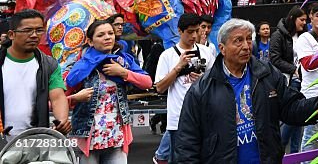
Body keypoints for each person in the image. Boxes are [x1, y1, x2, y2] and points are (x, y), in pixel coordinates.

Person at [176, 18, 318, 163]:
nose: (246, 46)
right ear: (222, 48)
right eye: (238, 41)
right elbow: (186, 142)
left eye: (248, 39)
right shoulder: (202, 89)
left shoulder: (267, 74)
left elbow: (289, 107)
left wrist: (316, 106)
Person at [66, 19, 153, 163]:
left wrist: (123, 72)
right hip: (87, 137)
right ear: (90, 41)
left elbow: (147, 82)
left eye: (110, 33)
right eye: (101, 35)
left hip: (116, 137)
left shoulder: (124, 61)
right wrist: (76, 98)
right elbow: (61, 98)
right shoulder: (81, 65)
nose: (107, 37)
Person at [0, 9, 70, 136]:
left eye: (39, 30)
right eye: (27, 30)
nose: (34, 35)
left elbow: (58, 97)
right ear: (11, 34)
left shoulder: (49, 65)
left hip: (36, 141)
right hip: (3, 139)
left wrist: (62, 121)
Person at [154, 13, 215, 159]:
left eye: (197, 30)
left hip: (204, 117)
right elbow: (160, 88)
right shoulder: (168, 55)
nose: (194, 35)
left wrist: (203, 79)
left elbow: (217, 81)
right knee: (181, 159)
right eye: (189, 31)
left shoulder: (206, 51)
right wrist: (178, 68)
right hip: (178, 120)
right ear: (180, 31)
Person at [294, 1, 318, 151]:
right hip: (313, 96)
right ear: (311, 17)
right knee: (310, 135)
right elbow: (308, 64)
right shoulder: (305, 38)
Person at [270, 6, 307, 154]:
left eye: (306, 20)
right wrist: (294, 69)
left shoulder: (304, 36)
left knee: (299, 119)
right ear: (292, 18)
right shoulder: (278, 35)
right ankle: (279, 149)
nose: (304, 23)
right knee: (293, 118)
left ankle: (295, 154)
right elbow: (274, 58)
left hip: (302, 81)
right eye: (302, 20)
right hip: (287, 81)